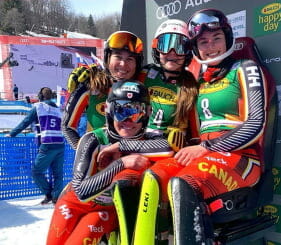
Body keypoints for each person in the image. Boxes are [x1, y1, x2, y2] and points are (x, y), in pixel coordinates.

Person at [131, 8, 271, 245]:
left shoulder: (245, 69)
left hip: (243, 158)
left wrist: (207, 147)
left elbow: (256, 124)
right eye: (203, 42)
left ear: (227, 37)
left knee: (184, 184)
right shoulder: (195, 81)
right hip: (204, 155)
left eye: (216, 39)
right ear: (195, 47)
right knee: (152, 178)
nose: (211, 46)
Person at [97, 19, 199, 245]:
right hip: (133, 146)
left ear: (188, 51)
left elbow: (196, 133)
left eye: (179, 46)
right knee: (115, 195)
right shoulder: (144, 74)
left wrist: (185, 137)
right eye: (165, 44)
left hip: (161, 152)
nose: (172, 52)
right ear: (156, 49)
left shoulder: (190, 86)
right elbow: (118, 79)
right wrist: (94, 74)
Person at [46, 80, 174, 245]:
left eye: (136, 112)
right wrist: (121, 164)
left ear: (147, 113)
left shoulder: (151, 137)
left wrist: (121, 145)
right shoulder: (94, 138)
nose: (128, 120)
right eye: (120, 111)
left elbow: (166, 148)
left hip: (107, 210)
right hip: (75, 203)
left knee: (82, 235)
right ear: (108, 111)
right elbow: (81, 191)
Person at [62, 31, 144, 149]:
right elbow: (67, 126)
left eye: (130, 59)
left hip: (135, 160)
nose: (123, 64)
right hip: (100, 163)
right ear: (107, 58)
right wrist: (87, 154)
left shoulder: (143, 86)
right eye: (118, 57)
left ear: (137, 63)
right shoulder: (92, 84)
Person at [6, 87, 65, 204]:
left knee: (36, 172)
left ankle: (49, 194)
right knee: (58, 174)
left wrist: (12, 133)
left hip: (47, 144)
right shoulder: (58, 109)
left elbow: (25, 122)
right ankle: (56, 197)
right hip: (60, 144)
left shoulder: (38, 107)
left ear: (40, 96)